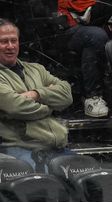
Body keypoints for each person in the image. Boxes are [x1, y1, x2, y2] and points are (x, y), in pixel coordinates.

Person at [0, 19, 73, 170]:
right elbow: (16, 107)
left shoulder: (36, 69)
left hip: (56, 148)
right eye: (3, 41)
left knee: (90, 180)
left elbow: (67, 94)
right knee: (42, 186)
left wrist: (36, 94)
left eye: (14, 40)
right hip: (19, 149)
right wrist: (51, 105)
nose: (10, 46)